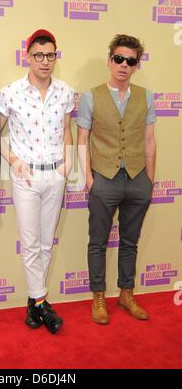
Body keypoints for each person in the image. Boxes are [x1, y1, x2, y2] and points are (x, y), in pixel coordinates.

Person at [77, 34, 156, 325]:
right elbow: (82, 139)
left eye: (130, 61)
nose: (124, 65)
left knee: (130, 242)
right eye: (119, 59)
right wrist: (87, 178)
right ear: (110, 61)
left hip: (137, 179)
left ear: (136, 65)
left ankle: (126, 293)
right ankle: (98, 297)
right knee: (97, 242)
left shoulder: (145, 96)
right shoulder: (90, 96)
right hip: (104, 179)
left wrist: (149, 179)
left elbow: (149, 139)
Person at [0, 29, 74, 334]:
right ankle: (43, 305)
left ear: (56, 56)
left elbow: (67, 130)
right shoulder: (11, 92)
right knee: (30, 244)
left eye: (50, 55)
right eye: (38, 55)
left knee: (45, 244)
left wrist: (68, 164)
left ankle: (33, 306)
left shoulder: (66, 92)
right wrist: (14, 161)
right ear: (27, 57)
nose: (45, 61)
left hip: (55, 175)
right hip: (26, 177)